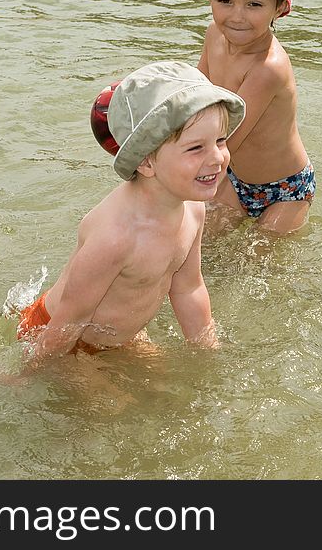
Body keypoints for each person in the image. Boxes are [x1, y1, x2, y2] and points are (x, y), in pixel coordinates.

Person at [15, 61, 245, 369]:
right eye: (195, 149)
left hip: (119, 338)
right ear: (147, 162)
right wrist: (25, 373)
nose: (217, 157)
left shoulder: (193, 209)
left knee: (164, 388)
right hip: (62, 338)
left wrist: (208, 353)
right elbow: (68, 322)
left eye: (220, 141)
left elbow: (188, 287)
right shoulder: (116, 237)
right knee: (114, 411)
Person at [196, 0, 314, 234]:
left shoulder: (268, 67)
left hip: (284, 191)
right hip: (234, 177)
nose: (236, 16)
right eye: (225, 1)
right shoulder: (213, 35)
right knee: (204, 250)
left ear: (279, 7)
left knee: (259, 266)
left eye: (254, 4)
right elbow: (195, 93)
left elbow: (228, 133)